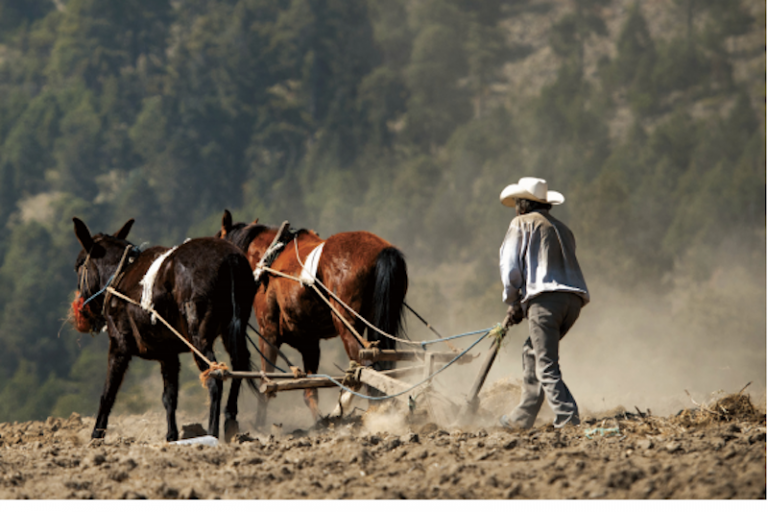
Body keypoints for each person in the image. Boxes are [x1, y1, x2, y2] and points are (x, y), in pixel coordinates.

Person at [498, 177, 589, 429]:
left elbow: (510, 266)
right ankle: (521, 418)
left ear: (523, 205)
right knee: (532, 352)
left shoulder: (521, 223)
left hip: (545, 301)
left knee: (545, 363)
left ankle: (568, 417)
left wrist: (513, 300)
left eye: (517, 203)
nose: (516, 208)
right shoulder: (563, 229)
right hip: (572, 302)